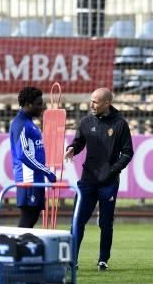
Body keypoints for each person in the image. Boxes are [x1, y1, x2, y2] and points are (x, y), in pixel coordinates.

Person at [65, 87, 133, 270]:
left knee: (105, 222)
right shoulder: (86, 121)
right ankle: (72, 260)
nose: (91, 104)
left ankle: (103, 260)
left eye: (95, 101)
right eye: (91, 100)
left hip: (108, 183)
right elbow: (79, 142)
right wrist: (72, 148)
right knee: (77, 219)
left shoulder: (120, 124)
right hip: (87, 180)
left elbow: (127, 153)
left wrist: (112, 171)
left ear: (107, 103)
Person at [9, 86, 56, 228]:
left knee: (31, 218)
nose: (41, 107)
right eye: (38, 104)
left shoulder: (29, 123)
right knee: (27, 220)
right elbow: (23, 154)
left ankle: (20, 249)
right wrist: (47, 171)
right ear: (28, 104)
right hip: (28, 178)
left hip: (35, 177)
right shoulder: (21, 124)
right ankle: (15, 249)